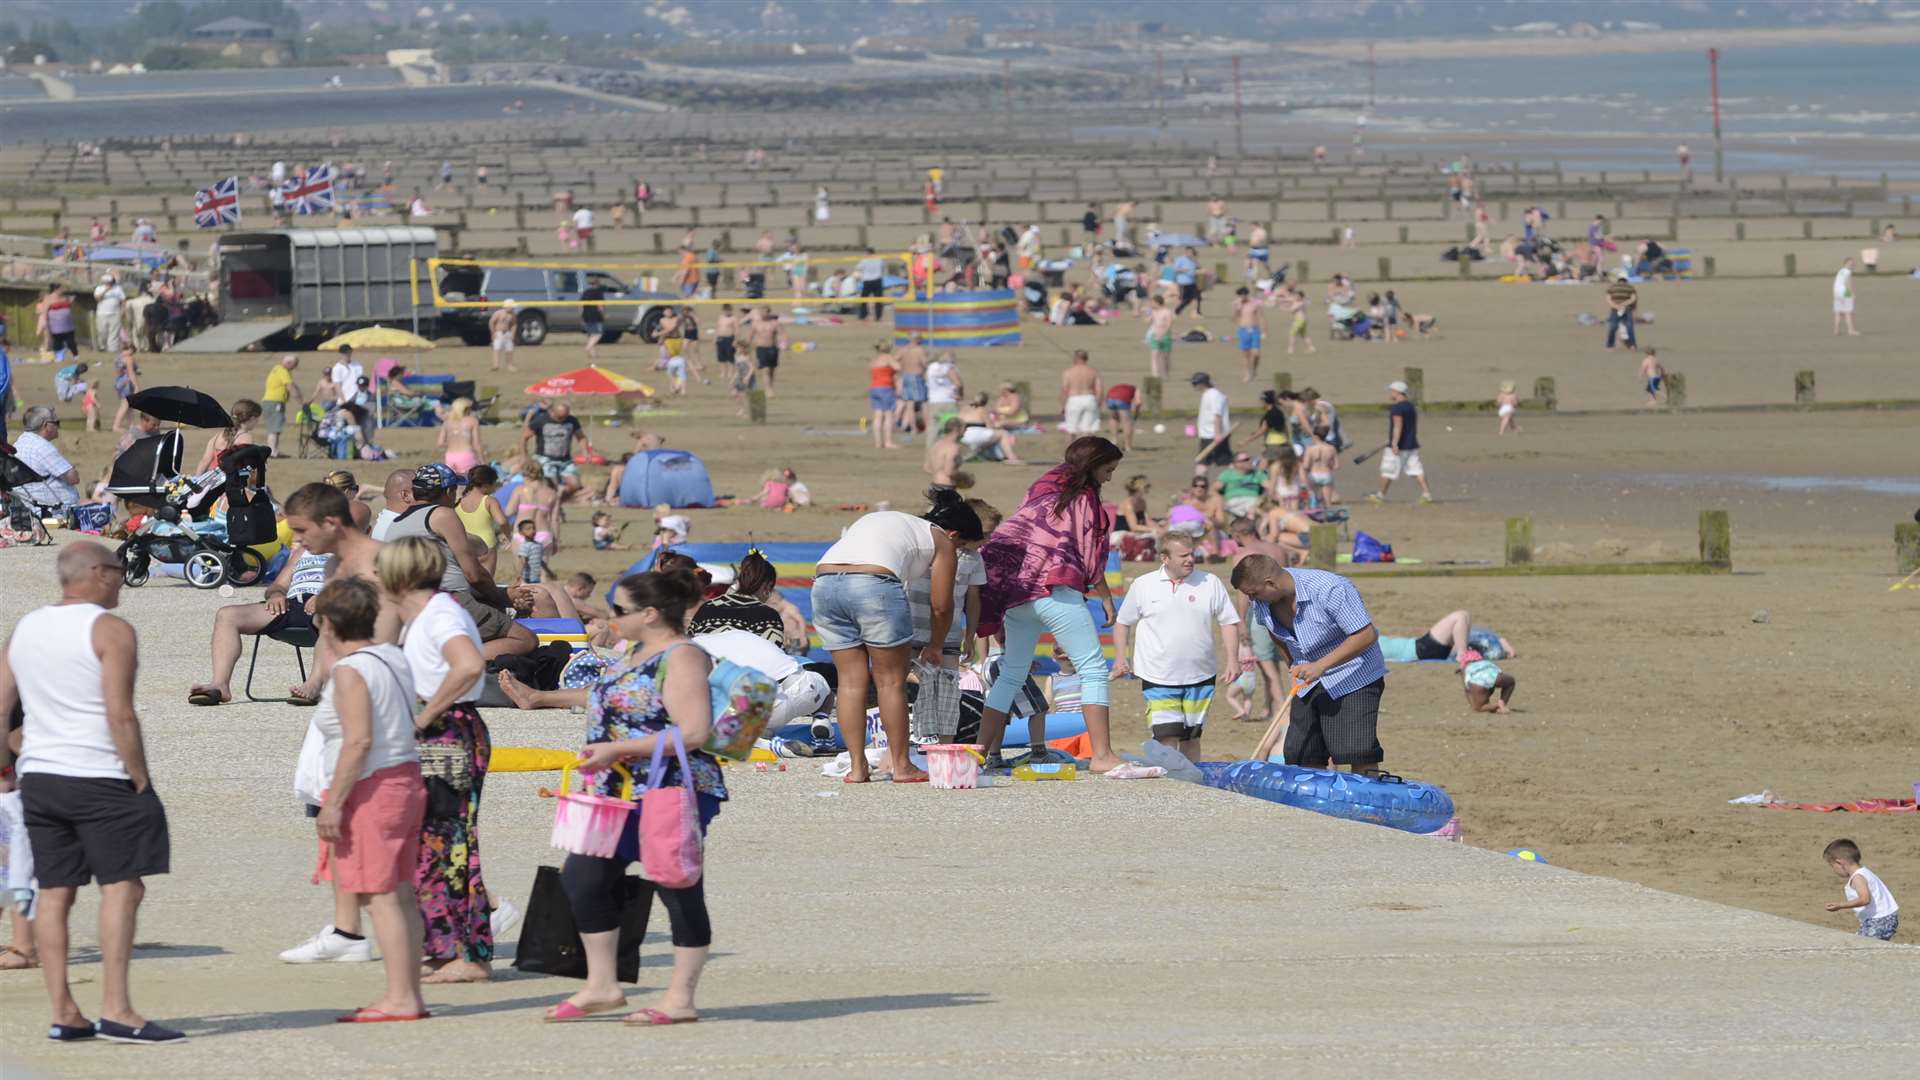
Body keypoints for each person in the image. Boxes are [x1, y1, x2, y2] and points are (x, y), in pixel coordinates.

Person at [0, 541, 184, 1044]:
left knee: (55, 893)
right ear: (98, 573)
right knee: (123, 888)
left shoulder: (26, 627)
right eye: (120, 571)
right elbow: (119, 713)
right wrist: (140, 776)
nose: (123, 579)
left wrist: (10, 762)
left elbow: (0, 707)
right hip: (99, 773)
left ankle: (64, 1010)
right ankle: (117, 1009)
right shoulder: (110, 629)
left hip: (41, 775)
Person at [550, 569, 722, 1025]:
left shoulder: (682, 656)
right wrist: (539, 697)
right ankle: (602, 985)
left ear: (649, 614)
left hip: (670, 787)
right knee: (582, 879)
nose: (610, 617)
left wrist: (618, 748)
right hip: (615, 788)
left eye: (619, 610)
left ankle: (680, 999)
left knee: (676, 884)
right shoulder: (632, 650)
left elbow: (695, 731)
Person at [305, 577, 430, 1023]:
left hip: (374, 786)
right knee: (399, 892)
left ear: (330, 623)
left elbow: (358, 741)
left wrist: (334, 803)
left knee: (381, 895)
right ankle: (408, 992)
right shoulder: (393, 656)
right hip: (405, 779)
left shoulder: (352, 669)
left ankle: (401, 998)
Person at [378, 537, 495, 983]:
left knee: (449, 844)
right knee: (433, 844)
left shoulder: (441, 614)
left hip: (447, 734)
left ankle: (465, 954)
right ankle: (449, 948)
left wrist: (426, 714)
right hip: (441, 731)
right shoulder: (426, 615)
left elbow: (468, 665)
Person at [975, 437, 1126, 773]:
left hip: (1018, 593)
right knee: (1093, 669)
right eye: (1108, 469)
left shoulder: (1040, 487)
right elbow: (1089, 554)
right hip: (1055, 588)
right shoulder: (1083, 498)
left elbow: (1015, 534)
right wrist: (1104, 595)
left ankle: (978, 755)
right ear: (1092, 465)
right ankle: (1102, 756)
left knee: (1011, 674)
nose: (1109, 478)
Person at [812, 491, 985, 783]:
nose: (961, 553)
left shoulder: (889, 520)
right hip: (873, 583)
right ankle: (902, 766)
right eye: (963, 547)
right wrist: (936, 645)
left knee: (850, 683)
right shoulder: (941, 539)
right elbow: (942, 606)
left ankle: (857, 769)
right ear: (953, 534)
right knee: (890, 681)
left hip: (824, 583)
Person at [1230, 555, 1388, 771]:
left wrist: (1320, 666)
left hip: (1354, 676)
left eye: (1254, 593)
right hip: (1308, 680)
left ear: (1270, 583)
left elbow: (1366, 634)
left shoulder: (1330, 588)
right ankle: (1312, 804)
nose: (1252, 600)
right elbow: (1274, 633)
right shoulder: (1261, 600)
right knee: (1301, 753)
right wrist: (1292, 664)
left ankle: (1364, 800)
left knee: (1356, 750)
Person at [1110, 534, 1241, 762]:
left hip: (1201, 673)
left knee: (1191, 737)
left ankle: (1190, 786)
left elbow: (1228, 622)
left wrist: (1233, 660)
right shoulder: (1143, 585)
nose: (1190, 559)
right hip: (1157, 673)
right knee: (1166, 736)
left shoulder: (1210, 582)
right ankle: (1170, 786)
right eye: (1183, 555)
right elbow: (1123, 623)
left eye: (1192, 554)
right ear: (1165, 558)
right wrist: (1121, 658)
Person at [385, 464, 536, 660]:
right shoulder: (442, 515)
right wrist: (503, 597)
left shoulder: (395, 524)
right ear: (448, 491)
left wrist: (501, 594)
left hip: (411, 603)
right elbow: (473, 574)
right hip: (448, 602)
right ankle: (458, 661)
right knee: (526, 639)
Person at [908, 498, 1001, 670]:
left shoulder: (974, 559)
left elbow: (973, 601)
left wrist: (969, 637)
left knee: (947, 687)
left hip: (949, 636)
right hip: (912, 631)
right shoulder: (925, 549)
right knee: (908, 683)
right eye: (985, 533)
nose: (987, 539)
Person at [686, 549, 785, 644]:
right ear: (767, 586)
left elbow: (690, 641)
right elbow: (775, 654)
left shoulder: (706, 608)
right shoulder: (768, 616)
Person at [1822, 839, 1899, 941]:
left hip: (1878, 921)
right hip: (1886, 919)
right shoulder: (1865, 872)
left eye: (1832, 866)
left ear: (1840, 863)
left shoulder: (1858, 877)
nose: (1833, 870)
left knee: (1859, 944)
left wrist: (1840, 905)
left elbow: (1865, 899)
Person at [1371, 381, 1432, 505]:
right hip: (1411, 444)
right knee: (1416, 469)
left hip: (1400, 446)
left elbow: (1398, 426)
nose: (1390, 393)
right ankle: (1427, 494)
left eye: (1391, 391)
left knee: (1387, 470)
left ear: (1397, 392)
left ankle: (1380, 496)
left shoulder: (1397, 408)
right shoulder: (1410, 406)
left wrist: (1394, 443)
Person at [522, 401, 595, 501]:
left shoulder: (572, 421)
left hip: (565, 460)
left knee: (575, 484)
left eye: (565, 417)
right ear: (552, 412)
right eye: (560, 417)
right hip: (545, 458)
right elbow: (523, 438)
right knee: (552, 485)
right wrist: (525, 457)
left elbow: (581, 437)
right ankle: (553, 502)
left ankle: (559, 500)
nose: (562, 420)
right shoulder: (541, 420)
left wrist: (585, 452)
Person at [11, 406, 81, 508]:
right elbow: (73, 478)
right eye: (56, 423)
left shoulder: (20, 442)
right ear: (46, 425)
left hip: (29, 506)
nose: (59, 427)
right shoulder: (42, 447)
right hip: (53, 511)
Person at [194, 398, 260, 474]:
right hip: (231, 482)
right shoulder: (246, 438)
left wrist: (196, 480)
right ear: (252, 418)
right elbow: (245, 467)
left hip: (212, 480)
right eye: (257, 419)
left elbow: (205, 461)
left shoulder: (218, 436)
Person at [1191, 372, 1234, 477]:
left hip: (1214, 435)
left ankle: (1239, 481)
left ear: (1203, 383)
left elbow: (1217, 415)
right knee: (1203, 462)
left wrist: (1218, 433)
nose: (1194, 386)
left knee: (1226, 461)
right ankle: (1198, 483)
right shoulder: (1207, 394)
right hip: (1207, 434)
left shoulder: (1215, 395)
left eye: (1195, 383)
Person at [260, 355, 302, 457]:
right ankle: (273, 452)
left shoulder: (277, 369)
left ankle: (274, 450)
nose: (294, 368)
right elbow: (290, 386)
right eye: (294, 365)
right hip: (275, 403)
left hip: (271, 402)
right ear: (289, 363)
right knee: (274, 428)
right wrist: (300, 402)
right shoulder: (283, 371)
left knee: (275, 428)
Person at [894, 331, 929, 441]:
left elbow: (894, 360)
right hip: (917, 378)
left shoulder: (903, 349)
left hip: (906, 377)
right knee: (924, 404)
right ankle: (928, 428)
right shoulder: (920, 350)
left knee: (909, 405)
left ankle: (913, 429)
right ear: (917, 339)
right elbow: (925, 364)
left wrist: (902, 367)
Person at [1059, 349, 1103, 436]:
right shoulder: (1093, 371)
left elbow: (1065, 390)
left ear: (1075, 358)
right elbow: (1099, 390)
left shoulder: (1068, 372)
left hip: (1074, 399)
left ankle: (1069, 449)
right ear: (1086, 358)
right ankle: (1088, 449)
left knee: (1071, 430)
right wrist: (1098, 404)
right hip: (1090, 398)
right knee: (1088, 431)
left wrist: (1063, 406)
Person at [1458, 648, 1515, 714]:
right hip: (1495, 676)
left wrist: (1473, 705)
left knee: (1480, 707)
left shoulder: (1466, 669)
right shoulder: (1485, 662)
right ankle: (1502, 702)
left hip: (1479, 682)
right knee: (1510, 682)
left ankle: (1497, 705)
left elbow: (1467, 690)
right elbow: (1498, 671)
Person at [868, 341, 901, 450]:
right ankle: (888, 442)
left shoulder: (874, 360)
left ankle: (878, 443)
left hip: (874, 387)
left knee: (878, 415)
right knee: (888, 415)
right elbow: (898, 367)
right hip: (886, 387)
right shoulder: (888, 357)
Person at [748, 307, 789, 395]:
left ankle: (771, 386)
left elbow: (783, 333)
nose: (763, 314)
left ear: (769, 313)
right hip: (761, 348)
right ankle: (768, 389)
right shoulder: (756, 324)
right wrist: (748, 347)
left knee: (772, 370)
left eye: (765, 312)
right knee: (765, 369)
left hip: (773, 348)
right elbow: (750, 336)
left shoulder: (775, 323)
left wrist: (784, 343)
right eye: (761, 312)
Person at [1216, 452, 1266, 520]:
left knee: (1255, 511)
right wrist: (1221, 501)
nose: (1250, 461)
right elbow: (1214, 490)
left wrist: (1261, 499)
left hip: (1252, 500)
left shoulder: (1257, 473)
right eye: (1246, 460)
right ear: (1237, 464)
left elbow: (1270, 487)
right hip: (1233, 502)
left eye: (1250, 459)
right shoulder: (1227, 474)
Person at [1233, 287, 1265, 381]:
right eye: (1240, 295)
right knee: (1246, 355)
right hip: (1243, 330)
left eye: (1244, 294)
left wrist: (1264, 331)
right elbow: (1235, 317)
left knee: (1256, 354)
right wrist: (1237, 309)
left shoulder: (1254, 303)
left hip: (1254, 330)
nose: (1242, 296)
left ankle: (1254, 370)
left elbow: (1261, 317)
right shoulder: (1238, 304)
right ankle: (1247, 373)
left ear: (1247, 294)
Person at [1604, 272, 1639, 350]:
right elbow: (1633, 299)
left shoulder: (1612, 287)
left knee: (1613, 327)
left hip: (1615, 310)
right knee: (1629, 327)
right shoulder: (1630, 287)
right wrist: (1624, 304)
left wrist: (1616, 306)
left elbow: (1608, 299)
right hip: (1627, 309)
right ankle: (1632, 345)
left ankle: (1610, 345)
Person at [93, 275, 126, 353]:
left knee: (114, 333)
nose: (110, 284)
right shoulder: (99, 289)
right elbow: (97, 299)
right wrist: (106, 290)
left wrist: (123, 311)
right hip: (102, 314)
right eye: (108, 282)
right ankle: (103, 347)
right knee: (102, 332)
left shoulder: (118, 289)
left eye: (111, 282)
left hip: (115, 314)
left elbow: (123, 300)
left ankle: (112, 350)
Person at [1144, 295, 1174, 378]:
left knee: (1165, 357)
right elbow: (1147, 321)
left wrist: (1162, 335)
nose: (1151, 304)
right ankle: (1155, 375)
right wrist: (1148, 313)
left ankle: (1166, 374)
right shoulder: (1153, 312)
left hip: (1165, 336)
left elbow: (1169, 325)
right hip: (1155, 336)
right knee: (1154, 355)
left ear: (1157, 302)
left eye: (1152, 303)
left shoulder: (1167, 312)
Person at [1104, 380, 1137, 452]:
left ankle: (1114, 441)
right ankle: (1128, 446)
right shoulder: (1135, 389)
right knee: (1127, 422)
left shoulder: (1117, 387)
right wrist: (1136, 414)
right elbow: (1138, 402)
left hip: (1110, 400)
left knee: (1114, 418)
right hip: (1122, 400)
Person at [488, 300, 518, 372]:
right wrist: (493, 333)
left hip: (507, 334)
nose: (513, 308)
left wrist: (513, 334)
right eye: (512, 307)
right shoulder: (498, 313)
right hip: (499, 333)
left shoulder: (512, 315)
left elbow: (514, 324)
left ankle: (510, 365)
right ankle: (496, 365)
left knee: (509, 349)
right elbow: (491, 322)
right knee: (497, 349)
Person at [1833, 257, 1859, 336]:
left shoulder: (1840, 271)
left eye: (1852, 264)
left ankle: (1836, 330)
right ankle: (1850, 330)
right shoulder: (1848, 272)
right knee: (1848, 312)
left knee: (1838, 312)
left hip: (1836, 292)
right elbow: (1848, 283)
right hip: (1845, 292)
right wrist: (1852, 293)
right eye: (1850, 264)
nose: (1851, 265)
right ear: (1845, 264)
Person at [580, 279, 606, 361]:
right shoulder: (598, 292)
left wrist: (581, 316)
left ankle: (593, 355)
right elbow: (600, 306)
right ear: (597, 284)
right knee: (598, 334)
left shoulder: (585, 292)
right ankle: (588, 347)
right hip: (595, 315)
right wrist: (603, 315)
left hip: (586, 315)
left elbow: (580, 305)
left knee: (591, 335)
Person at [1172, 247, 1202, 316]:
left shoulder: (1194, 260)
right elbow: (1175, 269)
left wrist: (1196, 261)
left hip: (1193, 282)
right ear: (1185, 252)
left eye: (1191, 252)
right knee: (1183, 299)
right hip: (1183, 282)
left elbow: (1199, 268)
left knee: (1197, 298)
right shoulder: (1180, 259)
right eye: (1189, 252)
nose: (1190, 254)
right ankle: (1175, 311)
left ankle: (1195, 313)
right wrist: (1183, 270)